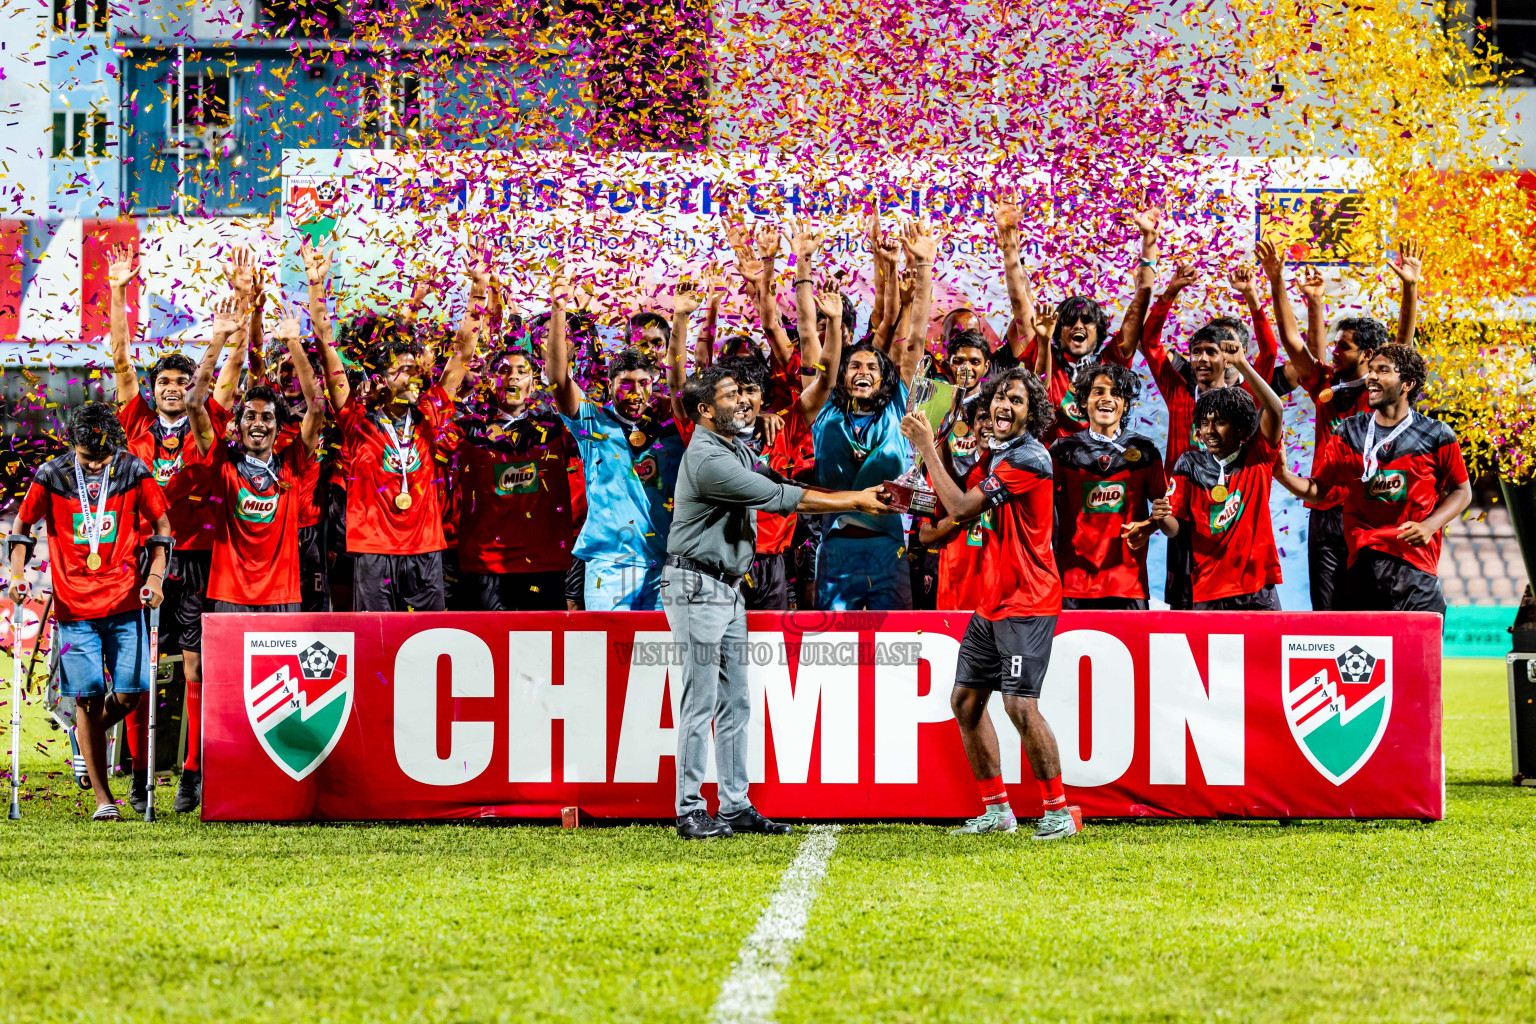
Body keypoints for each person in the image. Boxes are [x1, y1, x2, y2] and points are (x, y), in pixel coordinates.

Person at [666, 364, 894, 839]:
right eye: (731, 396)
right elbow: (780, 496)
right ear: (706, 410)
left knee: (735, 702)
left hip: (726, 585)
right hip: (697, 586)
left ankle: (734, 805)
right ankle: (689, 809)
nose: (743, 402)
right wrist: (857, 501)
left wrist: (856, 493)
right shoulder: (709, 459)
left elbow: (781, 477)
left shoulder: (736, 448)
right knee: (701, 701)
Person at [900, 368, 1077, 841]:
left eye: (1016, 401)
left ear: (1031, 414)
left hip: (1029, 601)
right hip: (993, 600)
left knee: (1020, 707)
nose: (1004, 405)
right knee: (966, 702)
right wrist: (925, 458)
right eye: (1000, 396)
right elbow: (950, 500)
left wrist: (922, 447)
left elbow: (959, 508)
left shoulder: (1028, 459)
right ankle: (997, 810)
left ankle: (1058, 811)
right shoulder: (995, 457)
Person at [107, 244, 250, 812]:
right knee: (140, 667)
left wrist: (237, 306)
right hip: (141, 556)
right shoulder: (136, 419)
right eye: (163, 380)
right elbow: (120, 358)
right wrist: (118, 289)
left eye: (178, 381)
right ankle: (141, 772)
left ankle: (191, 772)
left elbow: (231, 367)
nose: (169, 388)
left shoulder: (207, 419)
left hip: (196, 557)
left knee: (193, 664)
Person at [7, 403, 171, 820]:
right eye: (87, 457)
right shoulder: (52, 475)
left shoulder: (132, 470)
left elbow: (162, 526)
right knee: (87, 697)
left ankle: (85, 736)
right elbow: (22, 527)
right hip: (74, 610)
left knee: (130, 694)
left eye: (101, 457)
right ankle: (103, 800)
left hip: (126, 603)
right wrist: (19, 572)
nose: (95, 464)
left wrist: (154, 577)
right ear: (72, 445)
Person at [325, 258, 481, 612]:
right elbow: (327, 353)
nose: (412, 377)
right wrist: (317, 287)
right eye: (402, 371)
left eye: (415, 369)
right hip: (373, 549)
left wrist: (479, 289)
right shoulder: (357, 422)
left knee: (427, 640)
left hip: (426, 547)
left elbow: (463, 353)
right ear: (380, 378)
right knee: (376, 644)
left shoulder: (429, 413)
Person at [800, 219, 935, 610]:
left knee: (897, 652)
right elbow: (810, 337)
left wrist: (923, 267)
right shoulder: (824, 409)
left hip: (889, 551)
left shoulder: (897, 404)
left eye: (873, 368)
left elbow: (915, 340)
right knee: (832, 652)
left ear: (885, 379)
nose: (863, 372)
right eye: (854, 366)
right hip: (836, 550)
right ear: (841, 375)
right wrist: (804, 265)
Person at [1274, 344, 1469, 612]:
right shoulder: (1349, 431)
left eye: (1383, 371)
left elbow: (1462, 490)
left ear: (1407, 384)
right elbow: (1318, 490)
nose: (1372, 377)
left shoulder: (1437, 435)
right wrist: (1282, 474)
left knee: (1417, 654)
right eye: (1372, 370)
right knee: (1357, 653)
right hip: (1362, 563)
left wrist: (1429, 526)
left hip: (1416, 566)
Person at [1139, 259, 1281, 607]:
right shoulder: (1179, 393)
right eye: (1196, 352)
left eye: (1210, 352)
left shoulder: (1243, 399)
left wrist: (1252, 298)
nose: (1201, 359)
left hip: (1231, 515)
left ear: (1228, 359)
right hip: (1183, 512)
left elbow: (1270, 353)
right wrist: (1170, 291)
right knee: (1187, 604)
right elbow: (1149, 343)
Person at [1293, 241, 1425, 609]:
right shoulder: (1328, 390)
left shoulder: (1378, 393)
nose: (1336, 352)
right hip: (1323, 512)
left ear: (1369, 356)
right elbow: (1314, 354)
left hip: (1366, 512)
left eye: (1345, 346)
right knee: (1326, 611)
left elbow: (1403, 347)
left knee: (1367, 609)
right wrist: (1314, 304)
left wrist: (1410, 288)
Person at [547, 272, 684, 611]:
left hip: (665, 564)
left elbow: (682, 381)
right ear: (609, 384)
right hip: (608, 566)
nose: (634, 392)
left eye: (643, 383)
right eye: (624, 383)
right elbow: (557, 379)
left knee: (658, 660)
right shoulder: (592, 421)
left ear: (653, 384)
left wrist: (683, 318)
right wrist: (558, 310)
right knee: (606, 659)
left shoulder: (674, 425)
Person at [1153, 338, 1286, 610]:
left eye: (1220, 422)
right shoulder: (1188, 463)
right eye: (1204, 423)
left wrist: (1242, 365)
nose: (1209, 431)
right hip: (1207, 590)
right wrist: (1163, 518)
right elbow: (1175, 528)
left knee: (1262, 654)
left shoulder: (1257, 456)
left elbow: (1275, 409)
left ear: (1239, 428)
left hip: (1257, 587)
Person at [453, 348, 576, 610]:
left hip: (545, 562)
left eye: (522, 372)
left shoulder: (558, 429)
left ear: (534, 383)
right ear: (490, 381)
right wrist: (460, 392)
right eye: (504, 371)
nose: (513, 377)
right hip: (486, 563)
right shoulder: (466, 430)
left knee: (543, 649)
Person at [1050, 363, 1167, 608]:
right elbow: (1040, 507)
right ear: (1083, 401)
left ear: (1125, 404)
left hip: (1128, 585)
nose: (1107, 399)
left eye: (1116, 393)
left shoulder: (1146, 451)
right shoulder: (1063, 450)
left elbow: (1165, 510)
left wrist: (1147, 526)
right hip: (1073, 585)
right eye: (1098, 392)